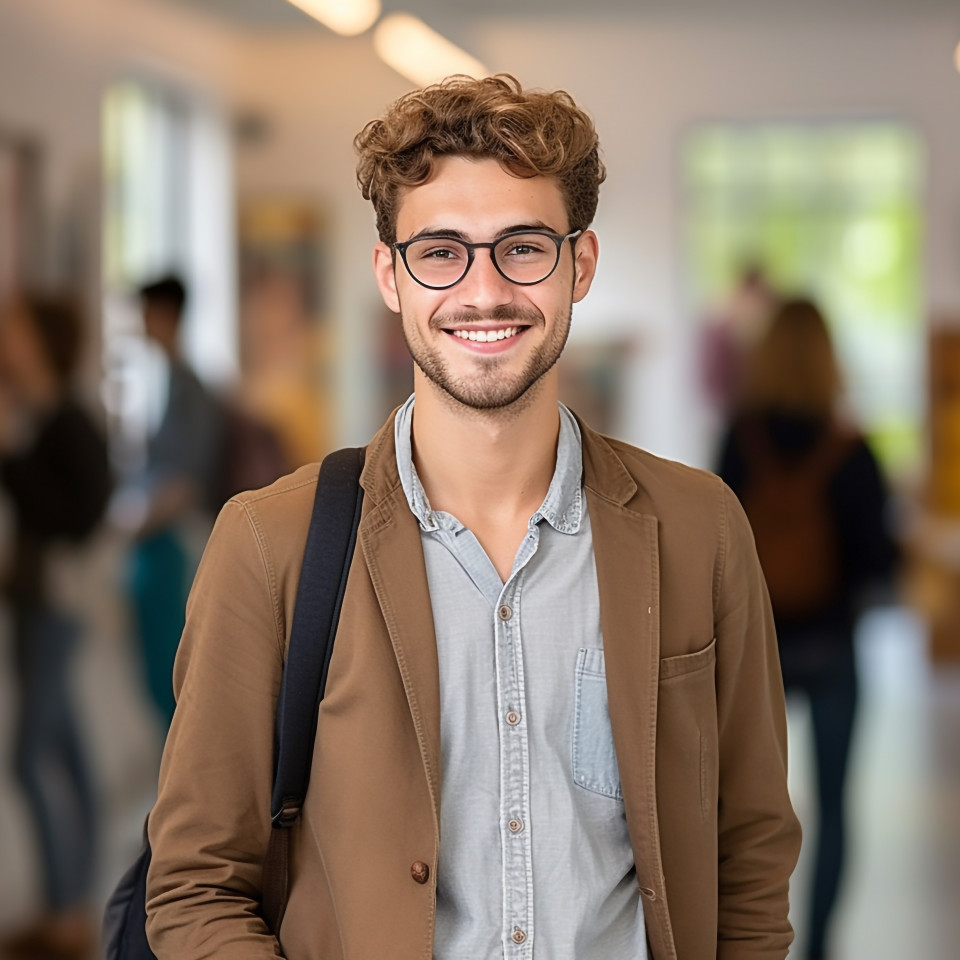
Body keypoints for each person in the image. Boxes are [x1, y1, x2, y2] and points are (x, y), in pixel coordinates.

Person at [145, 75, 801, 960]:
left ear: (581, 264)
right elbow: (195, 885)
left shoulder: (699, 528)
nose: (484, 292)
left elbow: (751, 850)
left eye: (523, 247)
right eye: (441, 250)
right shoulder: (273, 544)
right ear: (391, 274)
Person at [717, 298, 898, 960]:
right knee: (834, 805)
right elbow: (880, 564)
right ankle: (819, 946)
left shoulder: (740, 439)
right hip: (832, 647)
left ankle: (749, 942)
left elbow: (717, 544)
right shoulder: (853, 452)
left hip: (754, 646)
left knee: (743, 807)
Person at [0, 292, 112, 960]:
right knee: (68, 756)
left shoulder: (65, 422)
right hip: (39, 606)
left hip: (57, 610)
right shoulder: (42, 418)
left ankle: (67, 911)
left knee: (31, 756)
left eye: (15, 332)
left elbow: (77, 515)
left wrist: (11, 463)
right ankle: (69, 906)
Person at [112, 275, 222, 726]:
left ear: (165, 316)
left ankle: (187, 786)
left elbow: (188, 482)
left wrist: (136, 523)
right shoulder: (165, 383)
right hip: (154, 540)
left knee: (171, 671)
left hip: (169, 541)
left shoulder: (189, 389)